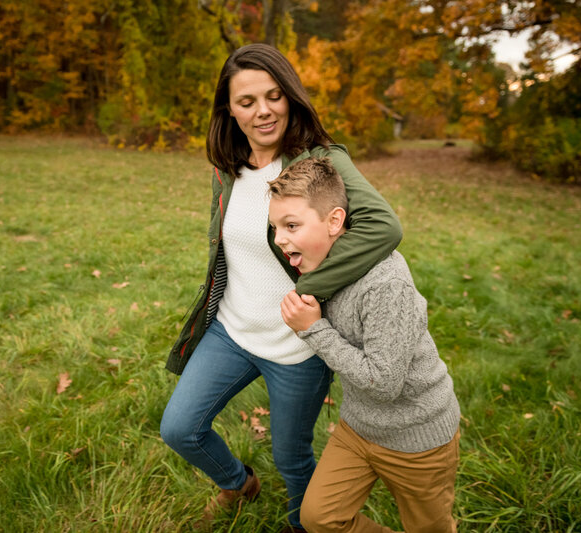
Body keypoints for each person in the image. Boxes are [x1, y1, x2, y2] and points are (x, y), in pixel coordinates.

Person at [159, 44, 403, 532]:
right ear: (229, 109)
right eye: (247, 101)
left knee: (293, 460)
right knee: (180, 428)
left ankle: (305, 525)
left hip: (297, 346)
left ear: (290, 97)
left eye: (274, 96)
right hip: (231, 330)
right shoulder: (230, 167)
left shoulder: (320, 161)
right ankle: (238, 483)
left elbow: (383, 226)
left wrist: (312, 287)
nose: (263, 110)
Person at [269, 157, 461, 533]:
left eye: (291, 225)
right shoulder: (323, 269)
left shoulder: (385, 284)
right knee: (319, 519)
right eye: (275, 226)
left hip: (417, 438)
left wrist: (314, 330)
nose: (279, 238)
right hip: (358, 429)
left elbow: (384, 384)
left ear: (335, 221)